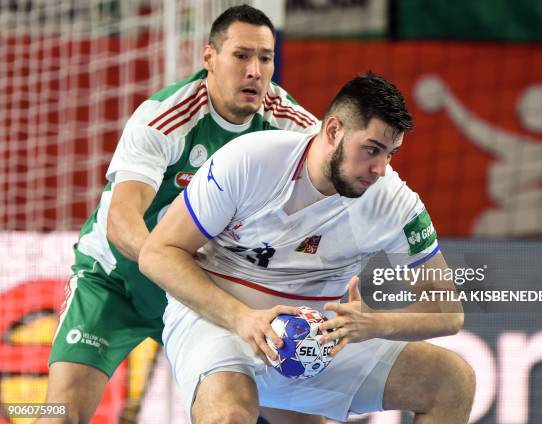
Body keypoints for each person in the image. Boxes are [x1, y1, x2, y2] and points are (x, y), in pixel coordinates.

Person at [139, 72, 476, 423]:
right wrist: (242, 318)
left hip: (311, 343)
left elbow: (448, 309)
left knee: (452, 381)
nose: (380, 168)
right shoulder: (251, 160)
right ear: (333, 131)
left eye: (390, 154)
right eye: (372, 150)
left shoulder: (395, 204)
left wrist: (373, 323)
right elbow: (157, 253)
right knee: (230, 414)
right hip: (218, 323)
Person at [42, 5, 324, 424]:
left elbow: (334, 209)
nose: (255, 71)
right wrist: (173, 267)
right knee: (57, 413)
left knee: (273, 417)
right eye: (241, 55)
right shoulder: (164, 117)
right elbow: (122, 221)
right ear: (209, 57)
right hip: (116, 281)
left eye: (265, 58)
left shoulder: (295, 131)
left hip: (207, 292)